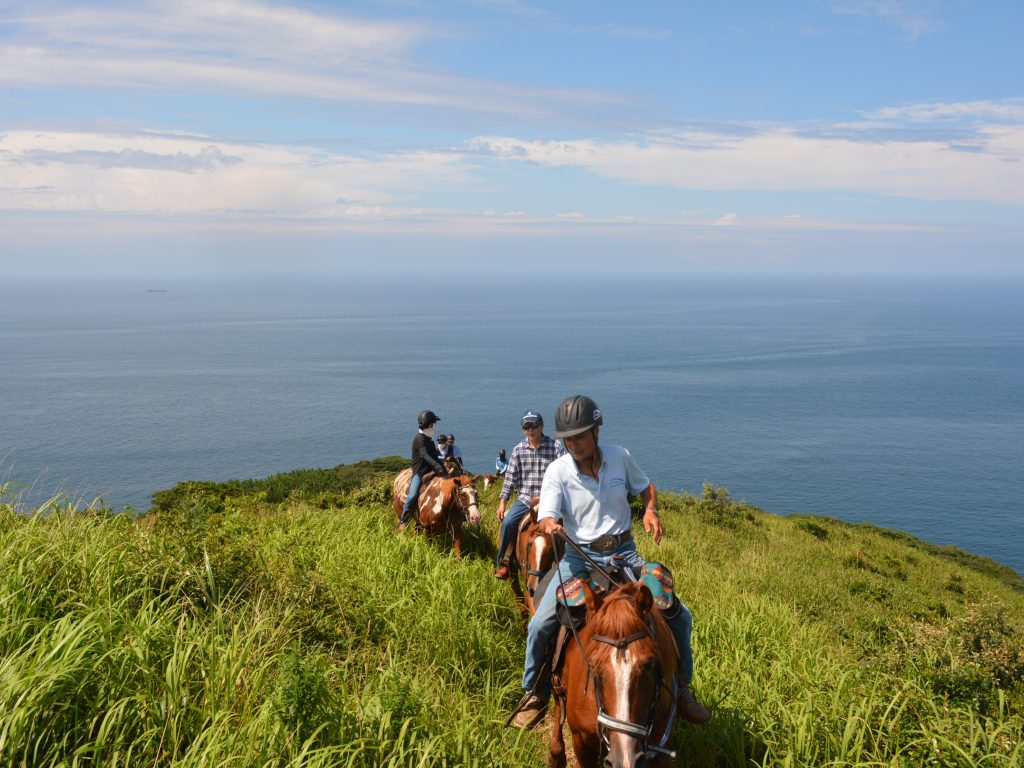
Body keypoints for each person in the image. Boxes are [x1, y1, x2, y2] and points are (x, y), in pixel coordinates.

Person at [513, 395, 711, 729]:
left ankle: (684, 689)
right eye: (568, 438)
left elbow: (646, 487)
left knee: (679, 615)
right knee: (541, 623)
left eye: (580, 436)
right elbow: (546, 514)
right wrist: (550, 524)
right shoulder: (557, 471)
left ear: (596, 431)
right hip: (579, 557)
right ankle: (534, 691)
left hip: (626, 553)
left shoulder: (621, 458)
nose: (574, 444)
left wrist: (651, 509)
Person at [494, 409, 565, 580]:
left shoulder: (556, 447)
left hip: (551, 499)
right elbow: (510, 478)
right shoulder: (518, 450)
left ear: (541, 426)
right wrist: (503, 502)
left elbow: (566, 473)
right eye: (526, 427)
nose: (530, 430)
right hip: (526, 498)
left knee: (571, 525)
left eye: (533, 426)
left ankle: (575, 561)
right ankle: (504, 561)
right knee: (509, 522)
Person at [399, 410, 448, 532]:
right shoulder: (420, 439)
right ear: (428, 425)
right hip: (420, 473)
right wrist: (437, 467)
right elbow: (424, 455)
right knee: (412, 495)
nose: (435, 426)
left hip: (431, 471)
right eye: (433, 423)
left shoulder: (429, 439)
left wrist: (443, 466)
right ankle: (403, 520)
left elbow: (435, 457)